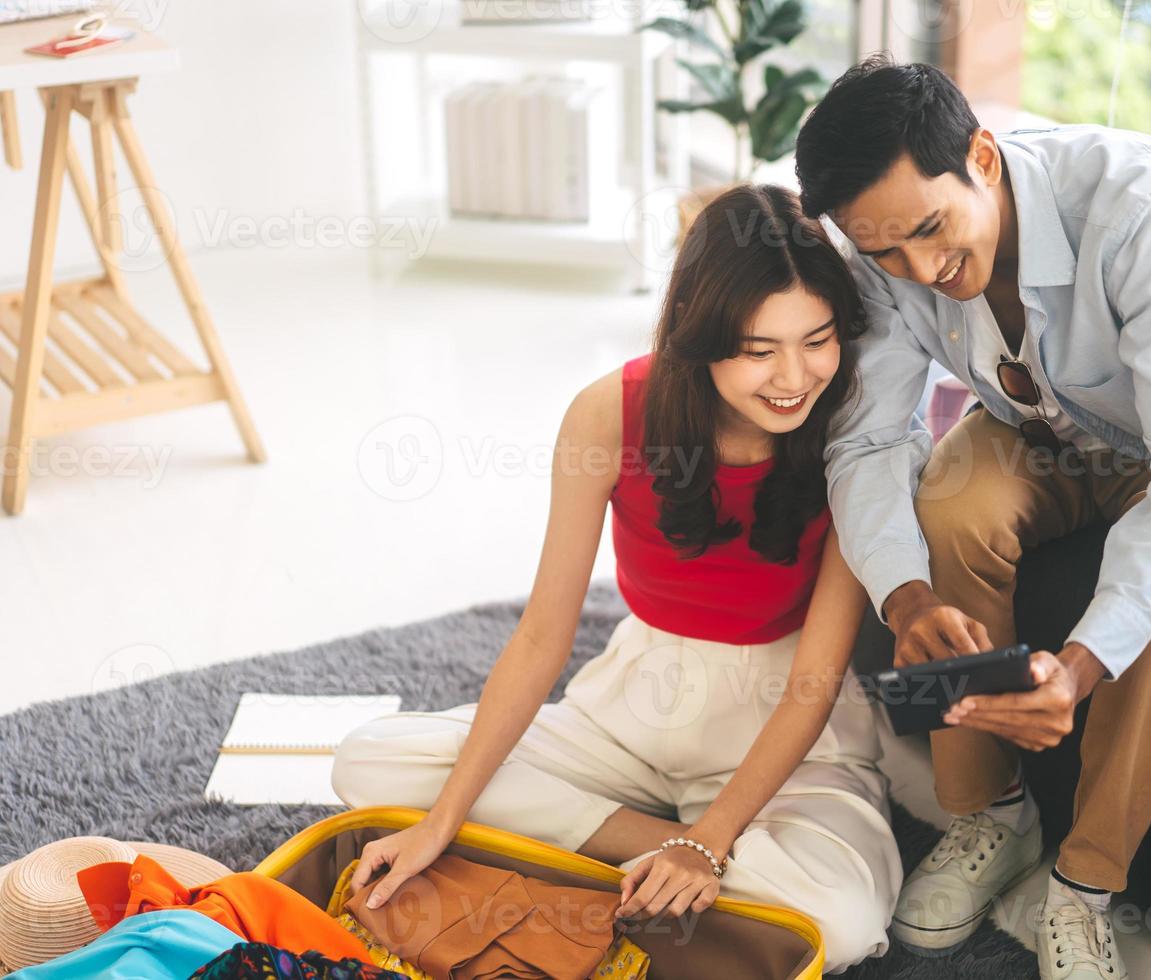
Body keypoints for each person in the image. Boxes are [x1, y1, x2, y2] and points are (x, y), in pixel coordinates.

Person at [793, 55, 1151, 980]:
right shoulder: (884, 246)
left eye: (932, 232)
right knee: (947, 507)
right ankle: (990, 817)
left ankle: (1085, 885)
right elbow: (865, 442)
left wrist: (1083, 665)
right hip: (1040, 426)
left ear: (980, 155)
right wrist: (906, 602)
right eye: (885, 251)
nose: (921, 271)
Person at [329, 184, 903, 974]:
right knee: (369, 763)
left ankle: (669, 849)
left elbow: (817, 675)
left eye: (818, 340)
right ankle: (661, 853)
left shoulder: (852, 426)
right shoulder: (609, 413)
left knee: (838, 921)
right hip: (631, 706)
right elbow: (541, 636)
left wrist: (711, 838)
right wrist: (439, 825)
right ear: (701, 337)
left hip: (786, 724)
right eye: (757, 349)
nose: (793, 377)